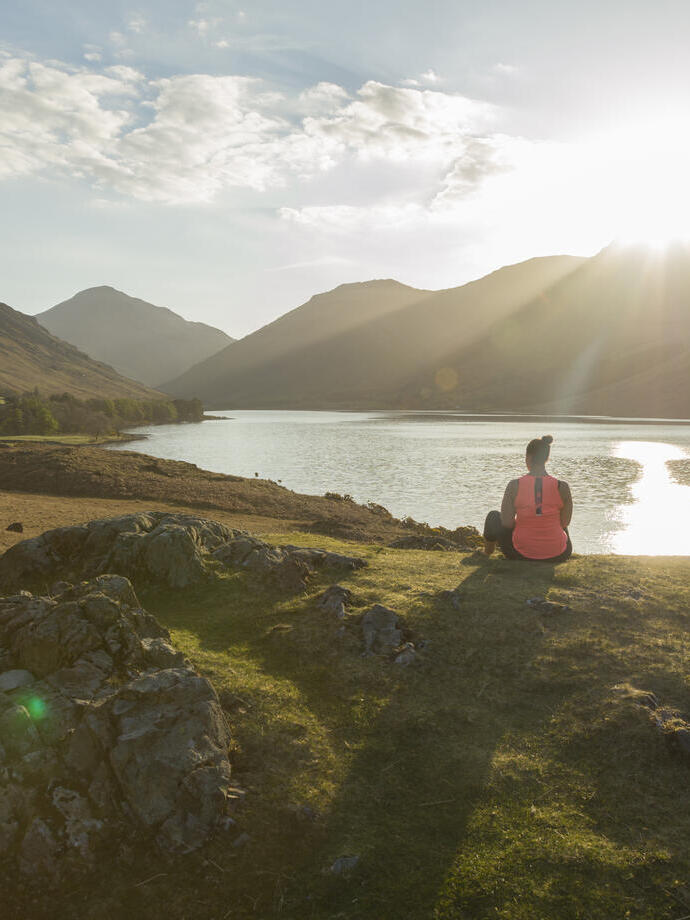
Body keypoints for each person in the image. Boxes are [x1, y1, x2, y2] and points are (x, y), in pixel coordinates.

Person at [483, 435, 573, 562]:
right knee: (559, 520)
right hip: (559, 554)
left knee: (493, 516)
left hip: (520, 554)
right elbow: (565, 523)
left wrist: (524, 523)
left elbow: (507, 523)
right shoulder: (562, 486)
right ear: (547, 459)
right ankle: (551, 546)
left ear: (528, 457)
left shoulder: (514, 485)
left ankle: (487, 552)